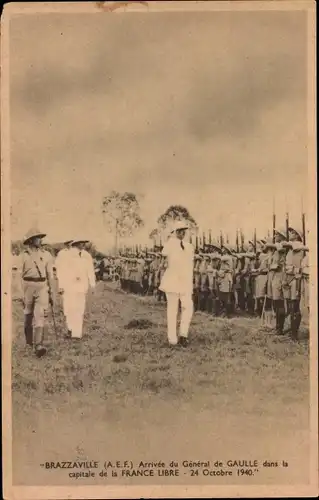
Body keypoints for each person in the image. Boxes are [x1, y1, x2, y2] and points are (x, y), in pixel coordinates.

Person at [20, 227, 55, 358]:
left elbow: (50, 274)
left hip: (42, 286)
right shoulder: (24, 255)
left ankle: (38, 345)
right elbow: (18, 274)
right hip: (27, 286)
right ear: (30, 240)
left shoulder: (46, 255)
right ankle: (29, 343)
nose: (40, 240)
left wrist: (51, 291)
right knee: (28, 315)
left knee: (40, 315)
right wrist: (20, 293)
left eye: (40, 237)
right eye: (37, 237)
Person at [159, 221, 194, 347]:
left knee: (188, 307)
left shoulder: (189, 246)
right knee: (172, 310)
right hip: (173, 281)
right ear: (175, 232)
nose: (182, 233)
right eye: (179, 231)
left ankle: (183, 335)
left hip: (185, 282)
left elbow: (189, 265)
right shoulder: (170, 244)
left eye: (183, 230)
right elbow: (164, 258)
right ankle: (172, 338)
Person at [57, 238, 96, 339]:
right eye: (81, 242)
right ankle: (70, 329)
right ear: (76, 243)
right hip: (69, 286)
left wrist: (92, 284)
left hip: (82, 286)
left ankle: (77, 333)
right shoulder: (66, 255)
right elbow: (61, 271)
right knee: (70, 308)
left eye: (84, 242)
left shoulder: (86, 256)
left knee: (80, 308)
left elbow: (90, 271)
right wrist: (61, 285)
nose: (83, 244)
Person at [283, 227, 305, 340]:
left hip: (295, 278)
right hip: (288, 277)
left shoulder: (298, 245)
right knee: (291, 304)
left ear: (297, 235)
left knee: (295, 305)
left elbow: (287, 244)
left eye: (292, 232)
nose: (290, 234)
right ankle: (291, 329)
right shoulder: (291, 248)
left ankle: (294, 333)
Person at [55, 239, 73, 321]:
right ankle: (66, 312)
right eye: (69, 243)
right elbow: (58, 266)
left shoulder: (75, 252)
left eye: (72, 243)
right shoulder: (61, 253)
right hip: (64, 276)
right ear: (66, 244)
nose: (70, 245)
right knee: (65, 295)